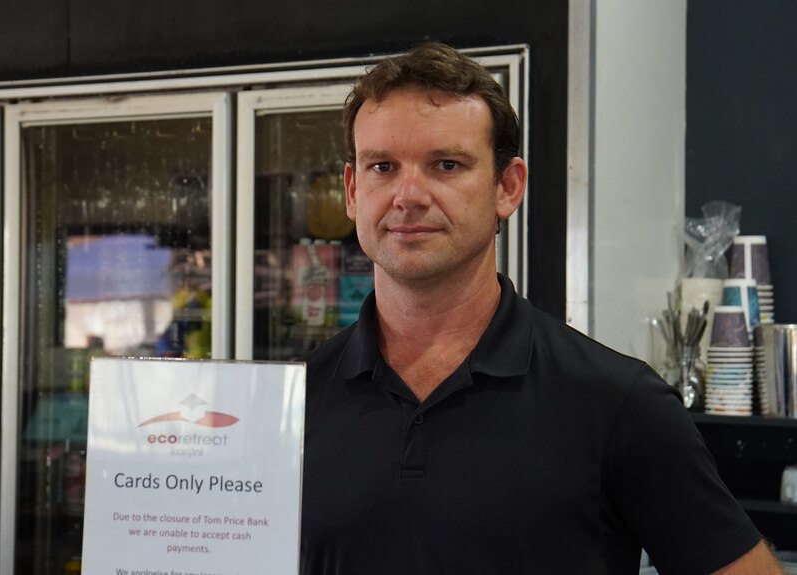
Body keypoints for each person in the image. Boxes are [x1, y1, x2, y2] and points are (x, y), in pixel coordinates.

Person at [300, 41, 782, 574]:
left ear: (507, 187)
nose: (408, 195)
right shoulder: (295, 406)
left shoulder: (618, 404)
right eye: (383, 166)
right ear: (351, 191)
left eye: (446, 164)